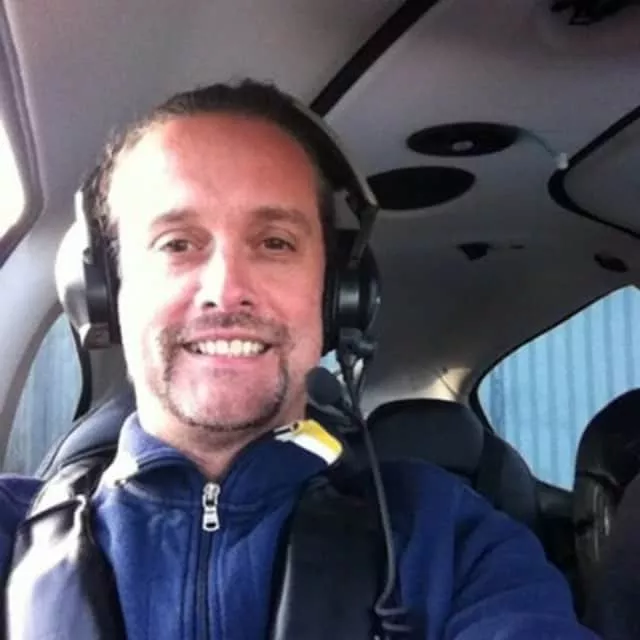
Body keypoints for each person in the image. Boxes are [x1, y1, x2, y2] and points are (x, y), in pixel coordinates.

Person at [0, 79, 597, 639]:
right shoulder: (12, 532)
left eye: (275, 243)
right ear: (104, 291)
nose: (227, 289)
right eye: (177, 243)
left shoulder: (455, 543)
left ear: (338, 294)